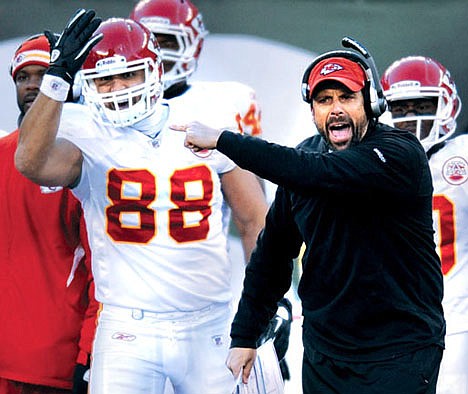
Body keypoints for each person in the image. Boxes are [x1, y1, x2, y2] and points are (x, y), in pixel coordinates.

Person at [174, 37, 446, 393]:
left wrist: (225, 139)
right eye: (324, 100)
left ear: (371, 104)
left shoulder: (399, 152)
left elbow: (319, 173)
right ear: (313, 110)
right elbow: (271, 256)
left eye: (346, 97)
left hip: (400, 351)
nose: (335, 109)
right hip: (326, 353)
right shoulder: (304, 160)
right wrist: (245, 335)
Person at [15, 10, 267, 394]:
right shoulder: (84, 129)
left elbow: (254, 221)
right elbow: (29, 162)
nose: (117, 87)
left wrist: (263, 308)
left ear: (154, 71)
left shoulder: (208, 119)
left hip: (210, 325)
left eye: (128, 74)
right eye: (104, 79)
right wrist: (55, 81)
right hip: (127, 329)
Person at [129, 0, 292, 380]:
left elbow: (254, 213)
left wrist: (270, 302)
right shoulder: (105, 104)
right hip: (124, 302)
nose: (158, 53)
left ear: (193, 43)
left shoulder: (224, 103)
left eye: (168, 40)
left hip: (203, 298)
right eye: (150, 40)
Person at [0, 34, 96, 394]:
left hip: (56, 364)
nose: (32, 85)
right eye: (23, 76)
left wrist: (88, 352)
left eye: (44, 74)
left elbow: (102, 272)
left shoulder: (86, 161)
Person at [381, 56, 468, 394]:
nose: (413, 118)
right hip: (390, 321)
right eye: (401, 109)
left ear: (447, 104)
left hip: (455, 316)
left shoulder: (461, 158)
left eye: (423, 105)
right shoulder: (372, 161)